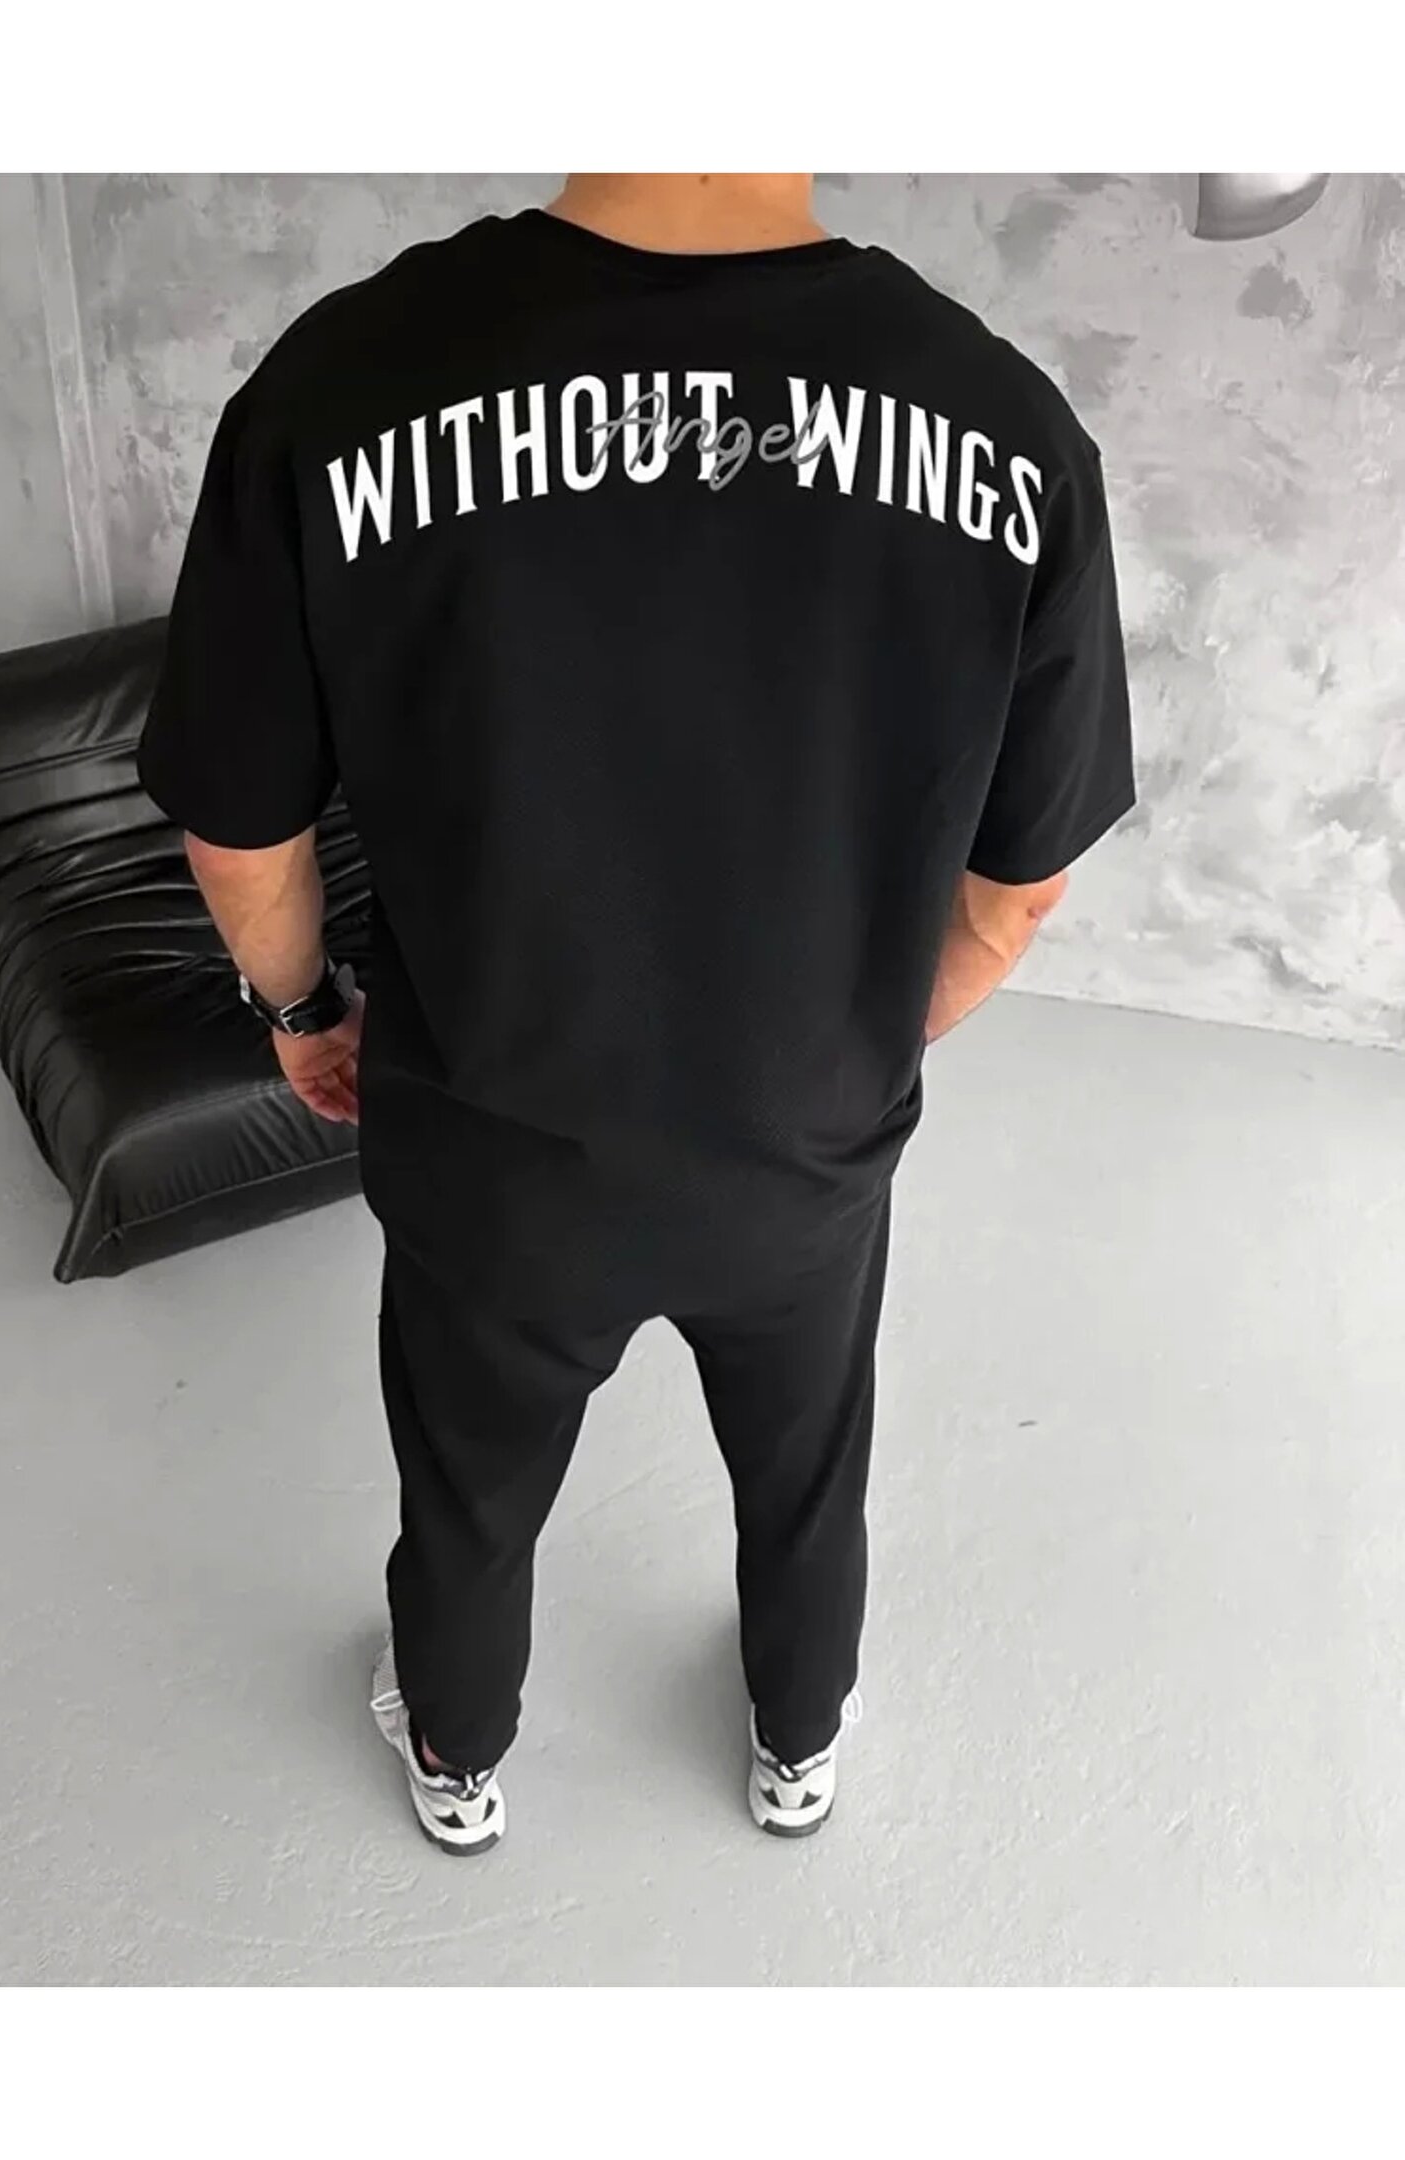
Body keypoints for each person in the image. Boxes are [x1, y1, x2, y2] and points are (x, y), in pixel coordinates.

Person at [138, 172, 1134, 1855]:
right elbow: (1018, 888)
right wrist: (851, 1044)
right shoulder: (1007, 429)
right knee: (807, 1465)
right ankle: (799, 1738)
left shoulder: (340, 384)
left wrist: (302, 1009)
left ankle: (457, 1750)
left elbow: (241, 831)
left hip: (493, 1148)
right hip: (800, 1144)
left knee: (469, 1490)